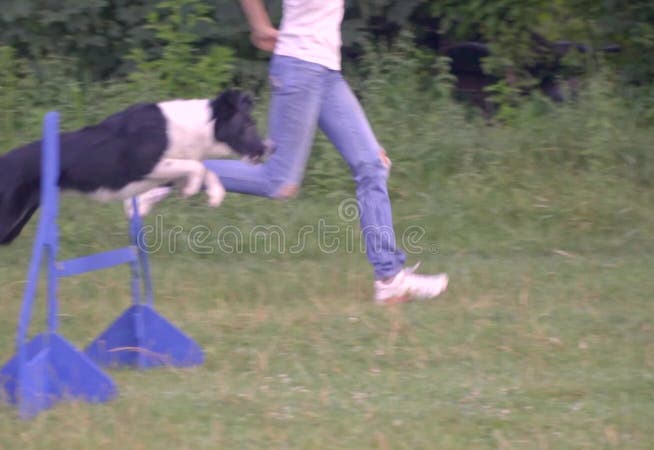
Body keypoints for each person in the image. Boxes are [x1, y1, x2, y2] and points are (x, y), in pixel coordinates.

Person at [139, 0, 448, 305]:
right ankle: (172, 172)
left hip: (325, 70)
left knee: (372, 164)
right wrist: (258, 23)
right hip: (300, 69)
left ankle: (390, 279)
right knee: (279, 181)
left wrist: (260, 25)